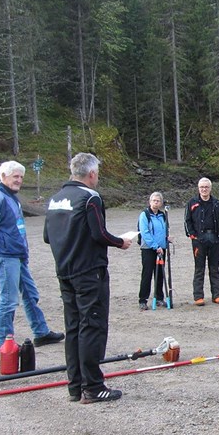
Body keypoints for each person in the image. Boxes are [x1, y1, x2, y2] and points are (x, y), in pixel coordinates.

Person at [43, 152, 132, 403]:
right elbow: (99, 233)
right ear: (91, 174)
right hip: (89, 271)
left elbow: (47, 237)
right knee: (92, 326)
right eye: (98, 174)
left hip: (65, 271)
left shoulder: (55, 199)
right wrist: (120, 242)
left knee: (73, 328)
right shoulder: (89, 197)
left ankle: (75, 386)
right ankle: (92, 386)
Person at [0, 160, 64, 356]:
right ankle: (2, 343)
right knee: (8, 300)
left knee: (30, 294)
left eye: (21, 177)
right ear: (3, 177)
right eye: (15, 176)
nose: (19, 180)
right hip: (5, 254)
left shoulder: (12, 198)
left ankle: (41, 332)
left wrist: (24, 253)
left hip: (18, 255)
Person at [184, 177, 219, 305]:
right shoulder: (192, 203)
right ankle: (198, 296)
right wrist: (192, 235)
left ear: (210, 188)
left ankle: (217, 295)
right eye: (202, 187)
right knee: (199, 269)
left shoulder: (217, 203)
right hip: (199, 241)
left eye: (206, 187)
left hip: (214, 239)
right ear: (198, 188)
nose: (204, 189)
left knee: (214, 268)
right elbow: (187, 221)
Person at [138, 192, 169, 310]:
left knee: (160, 274)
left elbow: (163, 230)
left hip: (162, 248)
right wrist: (155, 246)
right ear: (150, 202)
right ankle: (143, 299)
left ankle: (159, 298)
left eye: (158, 201)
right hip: (149, 249)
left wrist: (167, 239)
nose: (156, 203)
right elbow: (145, 233)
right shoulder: (144, 215)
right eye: (154, 200)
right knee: (147, 274)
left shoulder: (162, 215)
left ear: (161, 203)